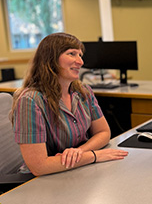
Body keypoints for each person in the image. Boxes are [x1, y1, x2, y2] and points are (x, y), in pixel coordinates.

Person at [11, 32, 128, 176]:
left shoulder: (84, 92)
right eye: (72, 54)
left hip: (76, 170)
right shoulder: (31, 100)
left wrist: (79, 152)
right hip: (43, 181)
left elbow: (103, 132)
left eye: (80, 55)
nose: (80, 62)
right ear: (51, 59)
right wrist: (93, 156)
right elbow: (39, 166)